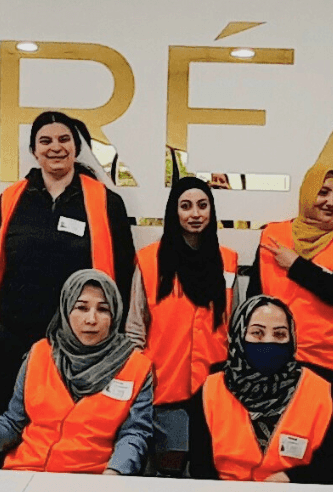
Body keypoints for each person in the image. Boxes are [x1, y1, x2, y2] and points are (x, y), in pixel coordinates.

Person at [0, 110, 136, 424]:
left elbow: (122, 273)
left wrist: (115, 334)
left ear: (77, 148)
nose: (56, 147)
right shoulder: (10, 200)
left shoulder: (107, 202)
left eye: (64, 139)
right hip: (17, 335)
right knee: (8, 422)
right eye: (46, 140)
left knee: (72, 426)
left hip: (81, 338)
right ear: (33, 151)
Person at [0, 269, 154, 474]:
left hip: (90, 478)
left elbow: (134, 435)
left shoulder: (136, 367)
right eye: (81, 307)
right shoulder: (40, 353)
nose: (91, 319)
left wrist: (114, 473)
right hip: (26, 472)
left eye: (103, 309)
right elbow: (12, 422)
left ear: (115, 314)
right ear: (66, 309)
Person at [248, 161, 333, 477]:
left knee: (321, 463)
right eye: (323, 192)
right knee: (271, 455)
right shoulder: (273, 236)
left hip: (330, 371)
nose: (331, 201)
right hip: (275, 366)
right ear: (307, 193)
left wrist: (296, 265)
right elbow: (254, 300)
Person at [126, 176, 238, 476]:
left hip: (215, 391)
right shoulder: (150, 260)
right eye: (186, 206)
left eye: (202, 206)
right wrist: (140, 385)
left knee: (210, 475)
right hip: (165, 388)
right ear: (173, 212)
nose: (195, 214)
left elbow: (236, 326)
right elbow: (135, 330)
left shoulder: (227, 262)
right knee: (169, 474)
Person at [188, 295, 333, 482]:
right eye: (257, 333)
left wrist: (290, 478)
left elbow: (331, 467)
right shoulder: (209, 391)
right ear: (238, 335)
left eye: (279, 334)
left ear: (292, 339)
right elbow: (200, 469)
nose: (269, 342)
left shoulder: (321, 391)